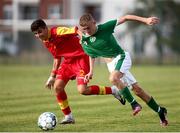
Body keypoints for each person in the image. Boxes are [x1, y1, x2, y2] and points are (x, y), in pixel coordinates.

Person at [78, 13, 168, 126]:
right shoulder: (85, 40)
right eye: (84, 29)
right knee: (137, 90)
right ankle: (160, 111)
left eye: (88, 28)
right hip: (111, 66)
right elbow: (92, 55)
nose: (87, 31)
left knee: (113, 78)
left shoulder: (105, 27)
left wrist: (145, 20)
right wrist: (91, 71)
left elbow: (126, 18)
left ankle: (134, 104)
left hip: (121, 57)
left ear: (94, 22)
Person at [30, 19, 126, 125]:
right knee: (57, 87)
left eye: (39, 32)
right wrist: (52, 76)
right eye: (35, 34)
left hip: (81, 59)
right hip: (68, 62)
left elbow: (75, 30)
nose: (38, 35)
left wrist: (83, 39)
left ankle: (113, 90)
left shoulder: (57, 31)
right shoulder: (46, 41)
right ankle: (68, 116)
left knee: (82, 90)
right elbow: (57, 57)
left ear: (45, 28)